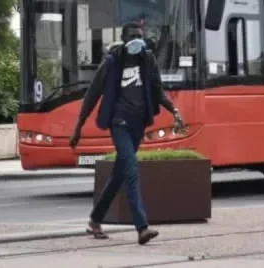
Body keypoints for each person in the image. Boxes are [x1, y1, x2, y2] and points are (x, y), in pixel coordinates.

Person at [70, 21, 185, 245]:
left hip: (137, 124)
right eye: (132, 36)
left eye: (139, 36)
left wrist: (174, 110)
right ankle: (142, 227)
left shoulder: (147, 60)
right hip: (119, 122)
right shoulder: (112, 62)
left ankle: (95, 220)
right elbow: (92, 96)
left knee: (119, 175)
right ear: (123, 39)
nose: (136, 40)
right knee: (131, 170)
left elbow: (157, 90)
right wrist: (78, 127)